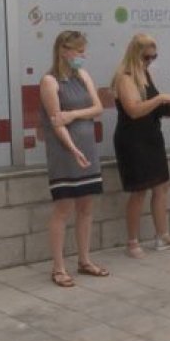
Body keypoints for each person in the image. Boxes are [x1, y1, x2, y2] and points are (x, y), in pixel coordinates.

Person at [39, 30, 109, 287]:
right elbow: (56, 122)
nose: (83, 56)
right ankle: (58, 267)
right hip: (64, 153)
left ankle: (84, 260)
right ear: (64, 50)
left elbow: (98, 108)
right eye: (79, 51)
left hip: (88, 148)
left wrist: (74, 115)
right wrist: (73, 149)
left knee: (86, 206)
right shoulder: (49, 81)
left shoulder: (83, 75)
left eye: (83, 51)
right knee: (64, 208)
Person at [111, 34, 170, 259]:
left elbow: (149, 105)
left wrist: (164, 106)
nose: (150, 61)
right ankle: (132, 241)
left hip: (151, 135)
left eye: (154, 57)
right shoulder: (124, 77)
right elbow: (133, 110)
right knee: (139, 190)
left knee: (162, 185)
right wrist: (159, 99)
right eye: (146, 57)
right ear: (135, 54)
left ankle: (162, 234)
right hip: (133, 139)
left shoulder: (145, 73)